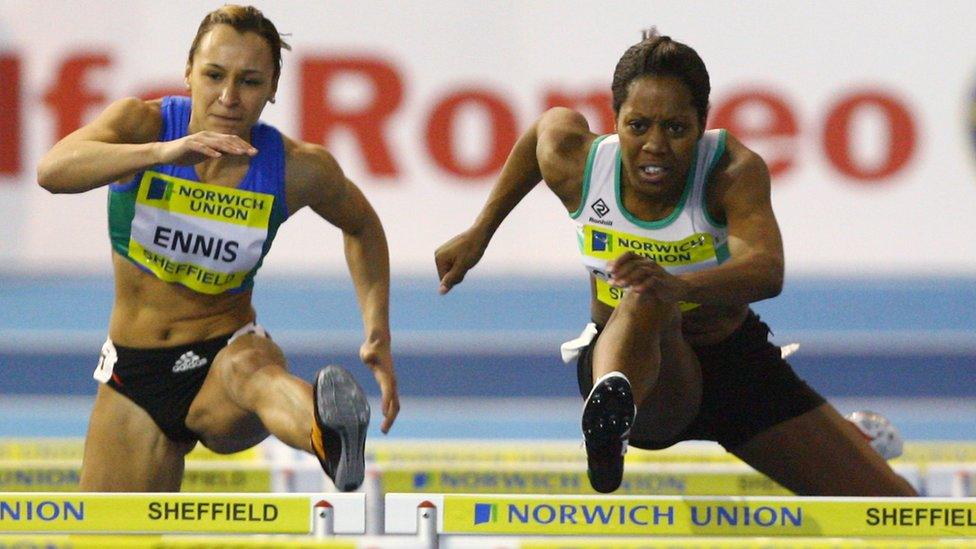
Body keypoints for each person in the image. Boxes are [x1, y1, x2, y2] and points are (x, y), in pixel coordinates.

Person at [435, 30, 916, 496]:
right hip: (640, 378)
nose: (655, 146)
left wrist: (678, 286)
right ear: (616, 118)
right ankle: (608, 422)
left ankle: (854, 444)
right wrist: (481, 232)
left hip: (734, 368)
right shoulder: (578, 163)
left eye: (676, 128)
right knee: (643, 298)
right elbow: (542, 132)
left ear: (702, 122)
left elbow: (767, 269)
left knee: (896, 513)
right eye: (638, 125)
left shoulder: (731, 171)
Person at [36, 4, 399, 492]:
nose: (228, 97)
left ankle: (328, 433)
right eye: (214, 75)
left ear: (272, 90)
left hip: (225, 356)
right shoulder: (143, 126)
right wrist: (165, 153)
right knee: (106, 538)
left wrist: (376, 330)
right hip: (136, 374)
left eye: (250, 82)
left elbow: (362, 227)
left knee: (254, 372)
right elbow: (52, 171)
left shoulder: (296, 168)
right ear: (188, 73)